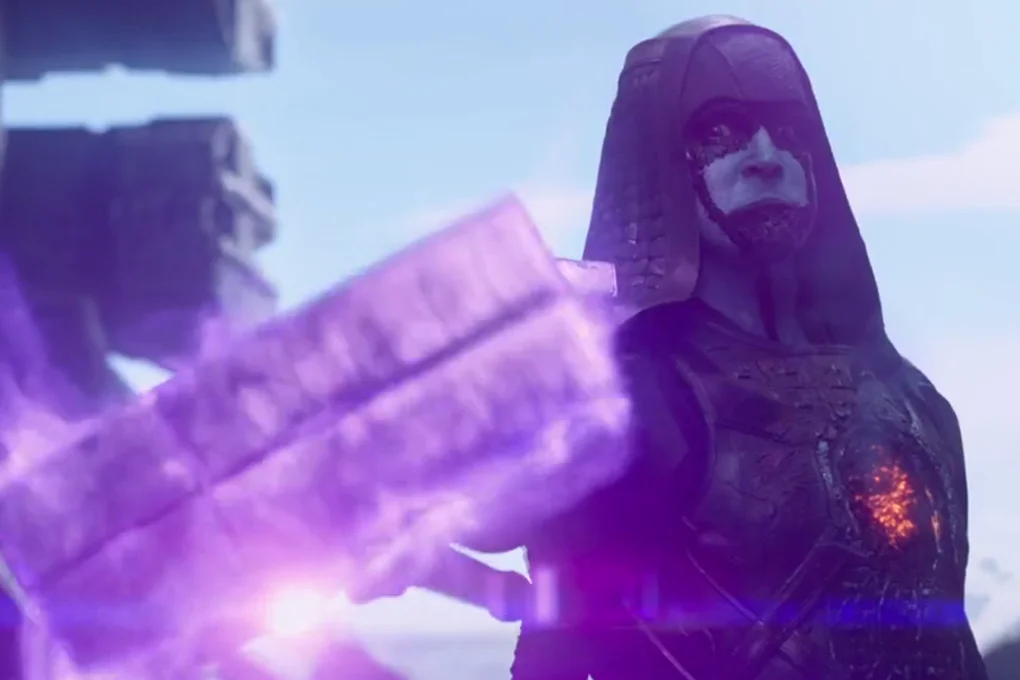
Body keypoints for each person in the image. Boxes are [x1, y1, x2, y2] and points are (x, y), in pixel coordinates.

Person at [469, 15, 988, 680]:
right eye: (719, 131)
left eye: (790, 130)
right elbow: (558, 649)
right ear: (660, 157)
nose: (767, 155)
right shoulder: (628, 401)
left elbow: (949, 635)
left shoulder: (910, 399)